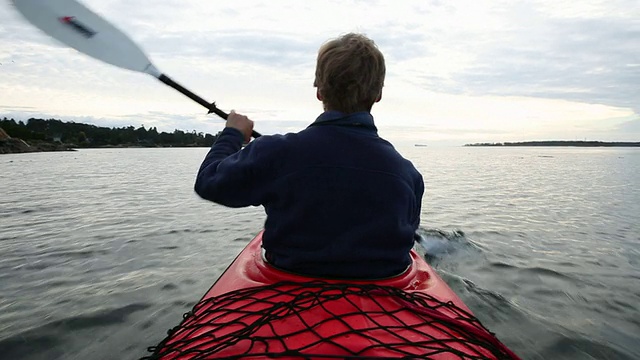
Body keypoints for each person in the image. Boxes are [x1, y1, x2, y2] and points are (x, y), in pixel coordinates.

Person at [195, 33, 424, 279]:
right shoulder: (408, 175)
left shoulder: (275, 152)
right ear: (378, 94)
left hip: (288, 284)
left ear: (320, 91)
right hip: (385, 294)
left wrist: (232, 134)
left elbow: (209, 182)